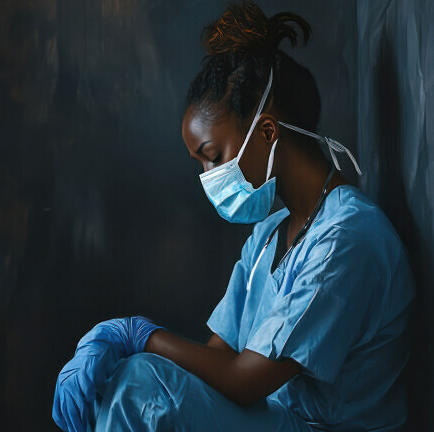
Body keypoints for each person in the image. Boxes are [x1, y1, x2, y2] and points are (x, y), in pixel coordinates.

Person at [51, 1, 416, 431]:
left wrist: (138, 335)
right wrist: (119, 353)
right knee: (119, 379)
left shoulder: (347, 238)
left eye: (214, 157)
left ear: (266, 132)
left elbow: (243, 383)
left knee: (140, 386)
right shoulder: (267, 238)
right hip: (274, 419)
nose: (209, 178)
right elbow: (219, 359)